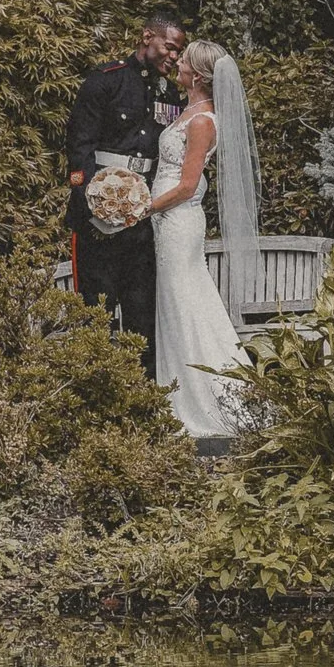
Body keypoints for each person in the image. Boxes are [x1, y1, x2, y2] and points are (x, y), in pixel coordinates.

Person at [139, 38, 258, 439]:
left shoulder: (203, 121)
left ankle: (209, 401)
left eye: (184, 61)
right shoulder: (188, 111)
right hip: (166, 220)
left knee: (184, 301)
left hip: (177, 220)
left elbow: (189, 185)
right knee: (177, 303)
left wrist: (145, 208)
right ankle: (175, 396)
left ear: (200, 76)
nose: (178, 63)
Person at [64, 13, 188, 377]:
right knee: (95, 312)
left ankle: (142, 399)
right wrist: (92, 205)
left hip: (144, 221)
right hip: (97, 220)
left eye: (179, 52)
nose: (174, 57)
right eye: (170, 46)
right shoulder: (106, 82)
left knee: (141, 315)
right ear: (147, 36)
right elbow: (79, 147)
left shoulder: (171, 93)